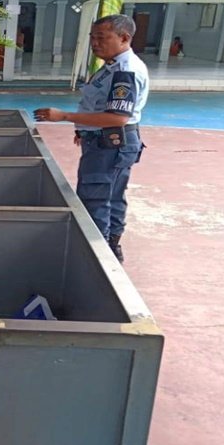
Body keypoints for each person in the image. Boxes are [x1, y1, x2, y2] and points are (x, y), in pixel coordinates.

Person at [33, 14, 149, 263]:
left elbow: (117, 117)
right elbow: (98, 105)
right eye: (92, 38)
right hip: (106, 140)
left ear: (124, 38)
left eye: (101, 38)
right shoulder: (111, 66)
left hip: (111, 143)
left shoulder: (124, 72)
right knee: (112, 195)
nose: (95, 44)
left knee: (96, 198)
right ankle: (110, 248)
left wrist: (64, 116)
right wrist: (82, 128)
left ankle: (96, 257)